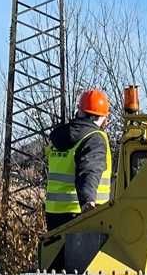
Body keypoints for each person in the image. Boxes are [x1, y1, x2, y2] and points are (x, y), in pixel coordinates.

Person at [45, 89, 112, 231]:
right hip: (81, 215)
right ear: (101, 116)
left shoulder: (59, 136)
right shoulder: (94, 138)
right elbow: (89, 171)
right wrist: (88, 202)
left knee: (56, 253)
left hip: (54, 213)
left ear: (80, 111)